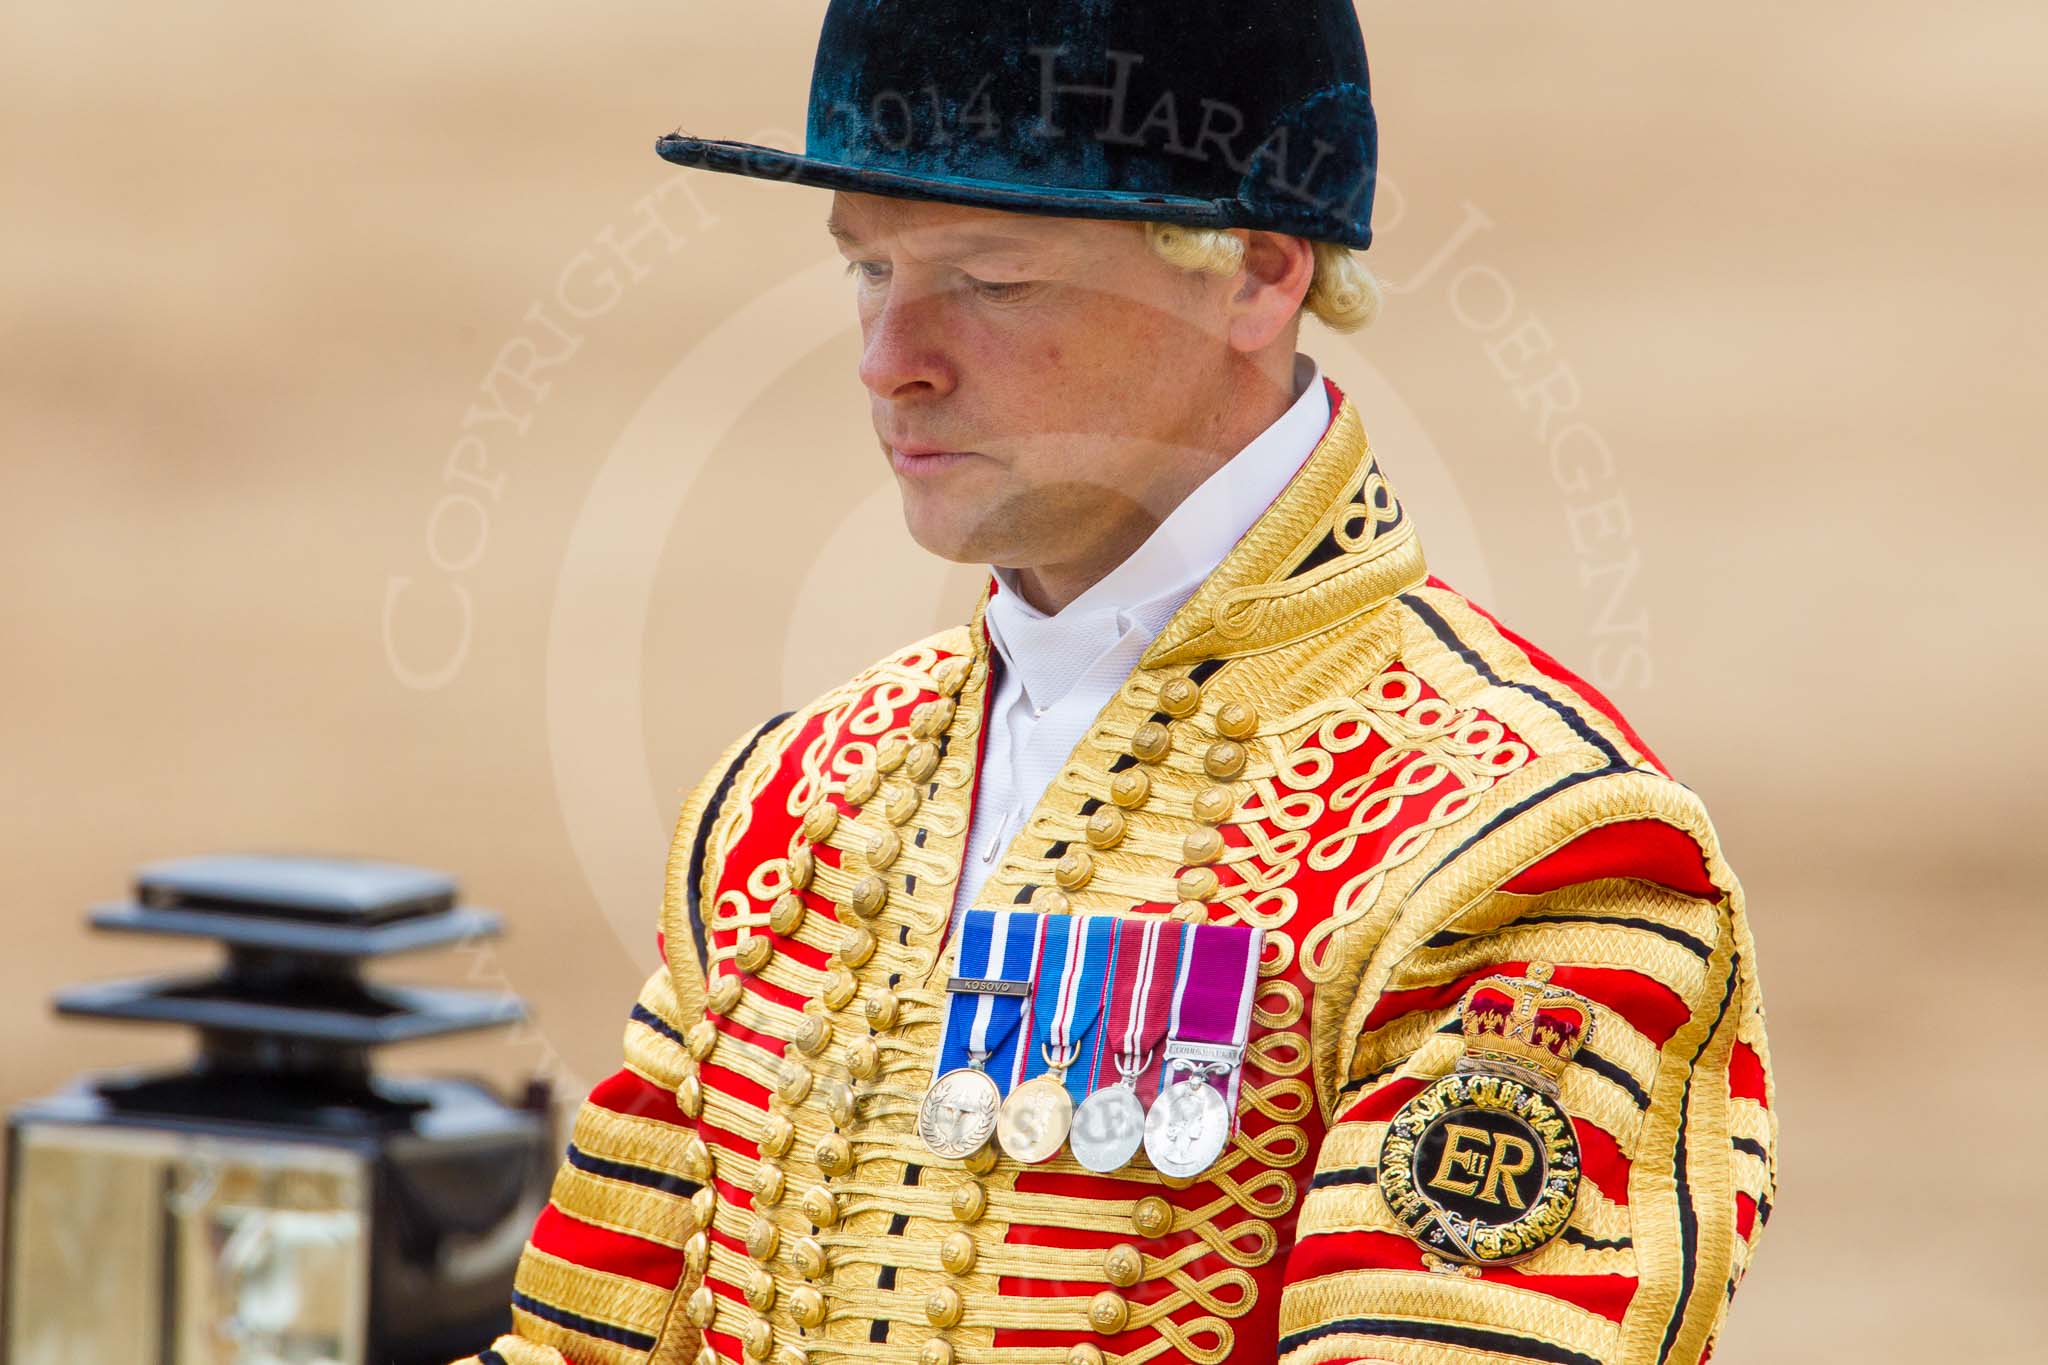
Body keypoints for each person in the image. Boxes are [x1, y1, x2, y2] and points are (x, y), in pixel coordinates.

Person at [456, 3, 1776, 1363]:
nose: (887, 358)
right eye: (868, 268)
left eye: (993, 277)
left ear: (1257, 274)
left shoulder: (1519, 841)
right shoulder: (784, 803)